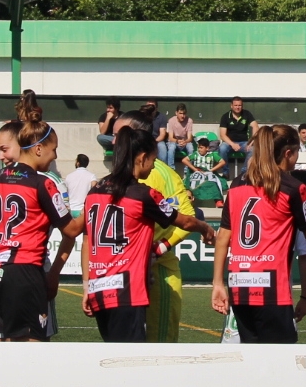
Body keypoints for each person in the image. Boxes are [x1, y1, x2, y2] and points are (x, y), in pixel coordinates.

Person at [81, 125, 215, 342]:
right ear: (142, 158)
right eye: (153, 160)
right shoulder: (143, 194)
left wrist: (87, 286)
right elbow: (185, 220)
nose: (153, 166)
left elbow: (87, 240)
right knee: (131, 357)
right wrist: (205, 228)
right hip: (127, 292)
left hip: (99, 289)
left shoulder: (94, 192)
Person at [211, 125, 306, 344]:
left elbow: (223, 237)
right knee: (280, 359)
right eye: (297, 152)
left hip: (239, 285)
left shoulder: (237, 184)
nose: (297, 158)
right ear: (288, 153)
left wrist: (217, 284)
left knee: (252, 354)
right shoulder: (292, 187)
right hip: (271, 288)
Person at [0, 96, 83, 342]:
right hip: (25, 270)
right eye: (54, 150)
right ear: (39, 149)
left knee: (3, 342)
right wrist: (93, 205)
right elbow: (72, 230)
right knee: (32, 346)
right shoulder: (42, 183)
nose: (54, 156)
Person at [217, 96, 254, 179]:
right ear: (231, 106)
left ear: (242, 106)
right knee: (222, 148)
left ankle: (244, 173)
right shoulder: (225, 116)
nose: (238, 107)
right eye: (236, 105)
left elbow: (255, 127)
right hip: (229, 142)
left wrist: (252, 141)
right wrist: (232, 144)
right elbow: (222, 135)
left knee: (253, 149)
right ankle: (225, 173)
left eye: (239, 105)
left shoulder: (247, 114)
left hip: (244, 142)